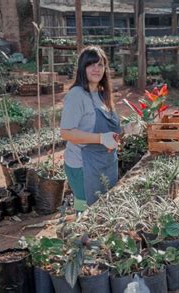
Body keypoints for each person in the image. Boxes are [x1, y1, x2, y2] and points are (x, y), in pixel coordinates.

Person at [60, 46, 121, 213]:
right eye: (91, 64)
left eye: (100, 65)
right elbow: (66, 132)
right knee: (87, 213)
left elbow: (111, 129)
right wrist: (101, 138)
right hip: (83, 165)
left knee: (105, 211)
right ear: (82, 68)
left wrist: (128, 129)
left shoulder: (102, 94)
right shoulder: (76, 95)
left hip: (106, 163)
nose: (96, 69)